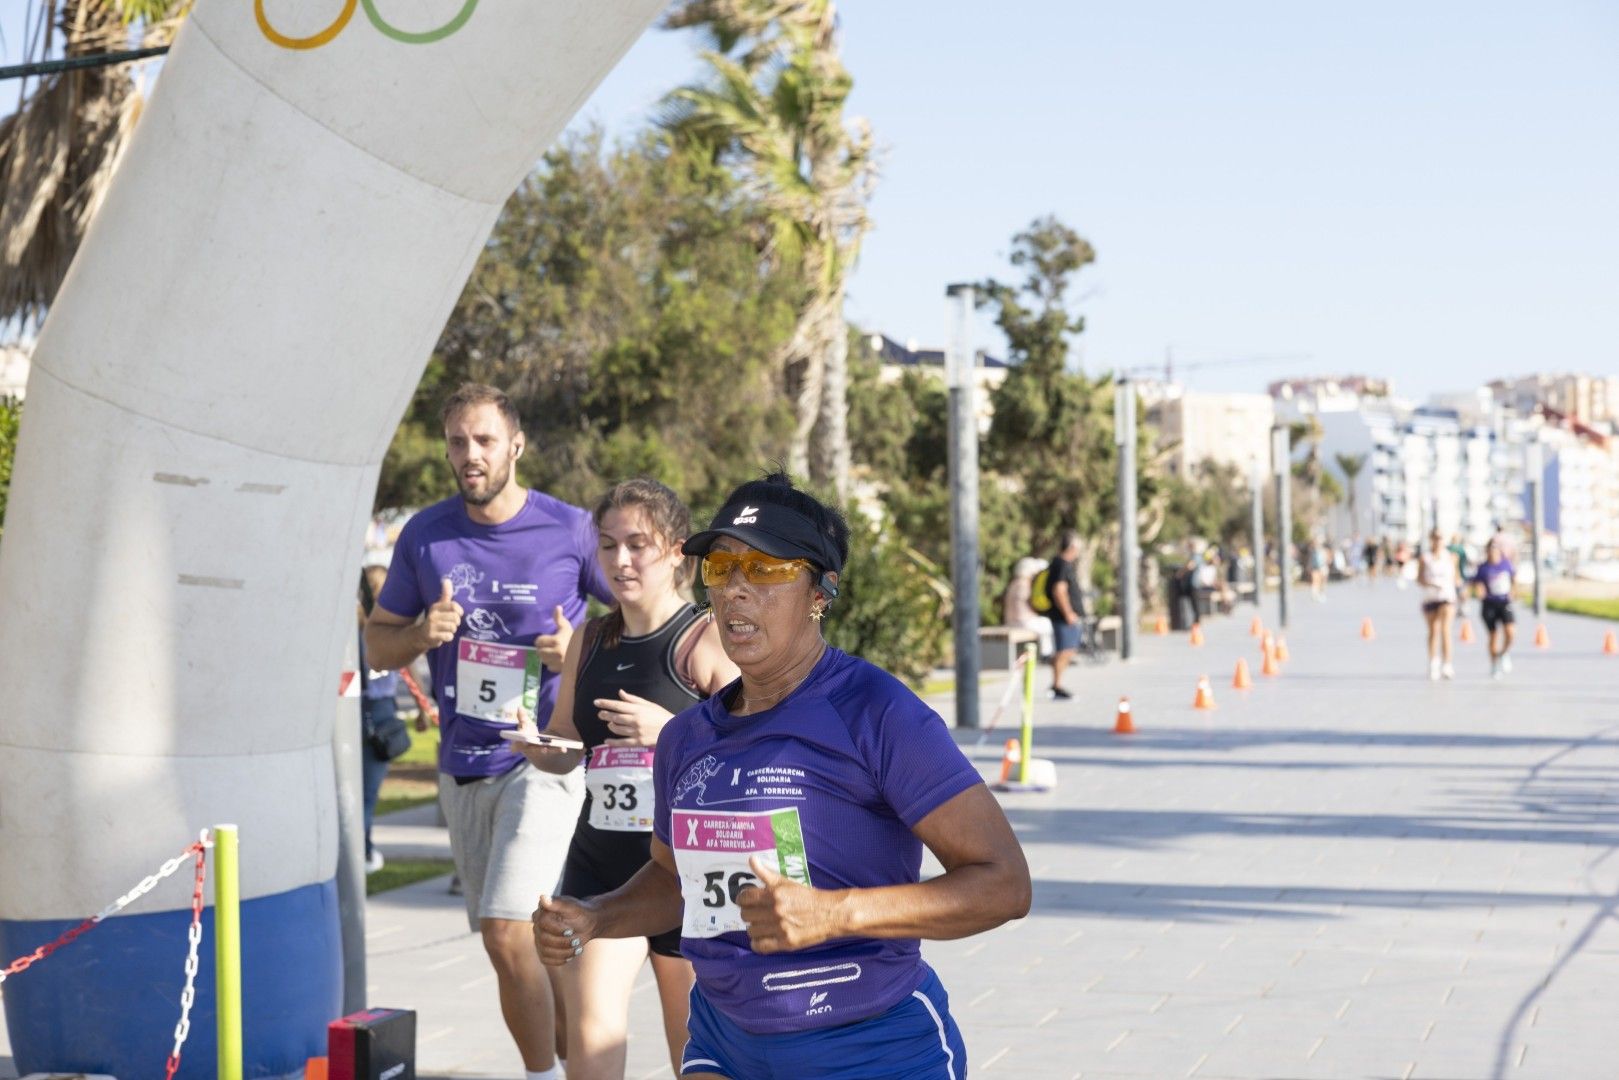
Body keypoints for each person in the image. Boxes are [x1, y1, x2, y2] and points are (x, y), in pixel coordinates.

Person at [533, 472, 1032, 1080]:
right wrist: (596, 917)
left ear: (821, 591)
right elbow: (673, 880)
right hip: (724, 1038)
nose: (736, 591)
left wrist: (834, 913)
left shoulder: (876, 711)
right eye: (722, 568)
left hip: (869, 1044)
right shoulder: (686, 737)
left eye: (765, 570)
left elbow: (1004, 883)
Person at [365, 383, 612, 1080]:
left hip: (546, 756)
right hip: (463, 762)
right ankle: (569, 1052)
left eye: (483, 441)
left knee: (509, 932)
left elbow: (637, 616)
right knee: (517, 945)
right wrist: (420, 631)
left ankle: (538, 1075)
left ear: (515, 446)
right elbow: (379, 648)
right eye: (456, 442)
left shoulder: (567, 529)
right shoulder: (426, 535)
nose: (469, 455)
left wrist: (579, 650)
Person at [517, 479, 738, 1079]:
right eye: (608, 545)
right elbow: (568, 742)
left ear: (675, 551)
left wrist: (669, 730)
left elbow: (750, 757)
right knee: (590, 1039)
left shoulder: (705, 637)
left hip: (683, 872)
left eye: (637, 544)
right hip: (602, 864)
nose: (620, 560)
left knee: (694, 1050)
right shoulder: (589, 637)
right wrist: (539, 746)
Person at [358, 550, 412, 873]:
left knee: (360, 791)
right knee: (366, 792)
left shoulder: (369, 630)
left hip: (371, 709)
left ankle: (362, 848)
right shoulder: (374, 632)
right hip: (375, 710)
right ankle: (362, 851)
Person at [1044, 531, 1085, 698]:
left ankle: (1056, 684)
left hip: (1062, 616)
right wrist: (1068, 612)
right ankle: (1056, 685)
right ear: (1072, 547)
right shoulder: (1062, 564)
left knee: (1067, 650)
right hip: (1063, 617)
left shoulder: (1058, 563)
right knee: (1065, 650)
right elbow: (1059, 591)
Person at [1417, 528, 1459, 680]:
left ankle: (1447, 664)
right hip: (1430, 597)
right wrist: (1431, 583)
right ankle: (1434, 661)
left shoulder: (1451, 557)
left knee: (1446, 630)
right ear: (1431, 539)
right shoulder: (1425, 558)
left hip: (1447, 597)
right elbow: (1419, 579)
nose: (1438, 540)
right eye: (1435, 537)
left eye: (1440, 537)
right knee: (1434, 630)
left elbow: (1457, 578)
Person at [1473, 537, 1517, 679]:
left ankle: (1503, 653)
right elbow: (1477, 583)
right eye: (1491, 548)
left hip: (1504, 602)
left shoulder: (1506, 565)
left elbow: (1514, 580)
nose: (1493, 551)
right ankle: (1494, 665)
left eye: (1495, 548)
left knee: (1510, 633)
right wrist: (1480, 591)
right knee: (1493, 635)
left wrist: (1513, 592)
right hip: (1489, 603)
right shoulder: (1483, 567)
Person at [1002, 556, 1054, 658]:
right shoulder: (1024, 584)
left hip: (1011, 620)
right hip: (1022, 621)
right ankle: (1046, 654)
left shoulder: (1013, 583)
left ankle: (1044, 652)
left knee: (1044, 624)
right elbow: (1028, 605)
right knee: (1047, 624)